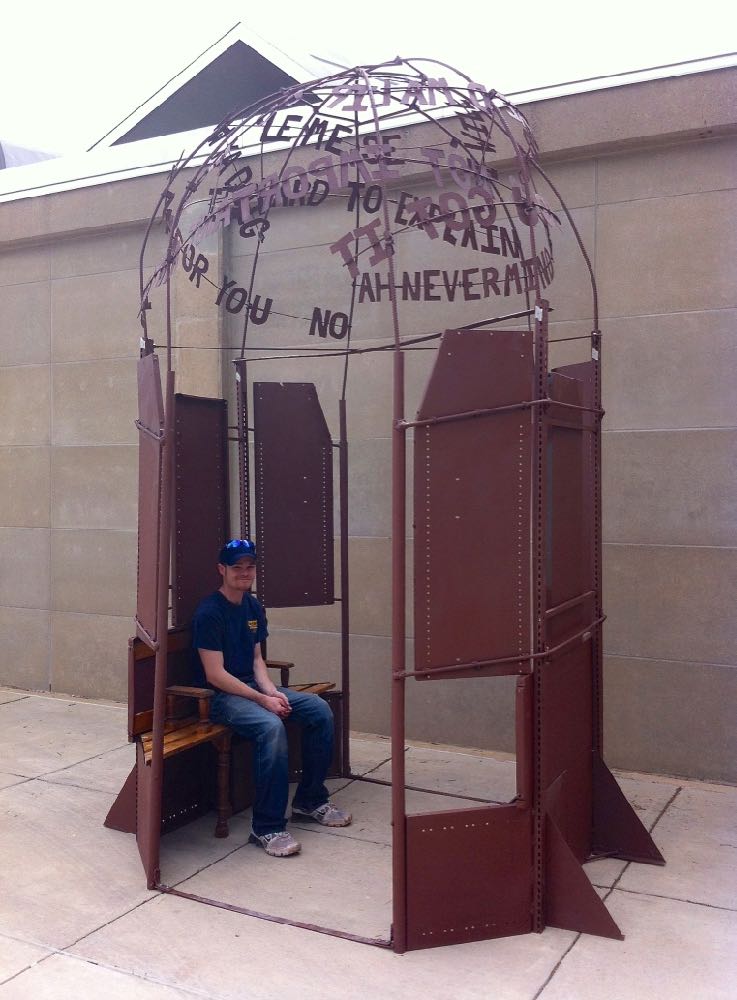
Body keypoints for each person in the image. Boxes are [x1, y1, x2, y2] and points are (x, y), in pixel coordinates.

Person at [192, 538, 351, 857]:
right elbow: (215, 674)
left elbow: (256, 660)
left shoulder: (252, 606)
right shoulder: (209, 612)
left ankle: (310, 801)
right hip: (222, 698)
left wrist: (273, 692)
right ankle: (266, 828)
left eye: (250, 566)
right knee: (270, 727)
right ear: (221, 569)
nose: (244, 572)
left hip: (252, 689)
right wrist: (263, 701)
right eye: (237, 567)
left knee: (319, 710)